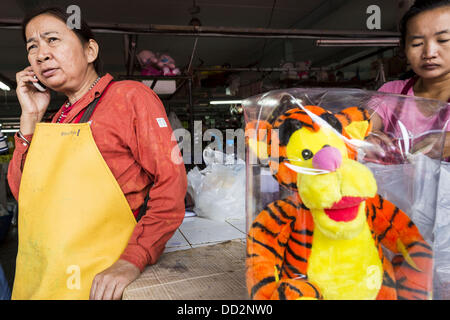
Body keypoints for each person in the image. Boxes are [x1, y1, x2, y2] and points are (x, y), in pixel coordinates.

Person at [7, 7, 187, 300]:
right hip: (54, 273)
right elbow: (25, 195)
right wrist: (30, 119)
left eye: (52, 39)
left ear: (90, 50)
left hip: (105, 277)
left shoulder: (129, 97)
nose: (40, 54)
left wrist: (134, 257)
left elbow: (171, 184)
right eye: (32, 46)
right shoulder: (56, 121)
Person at [369, 0, 450, 159]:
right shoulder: (392, 92)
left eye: (442, 40)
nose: (429, 53)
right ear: (404, 48)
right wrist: (367, 136)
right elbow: (361, 124)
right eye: (417, 43)